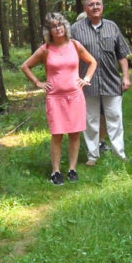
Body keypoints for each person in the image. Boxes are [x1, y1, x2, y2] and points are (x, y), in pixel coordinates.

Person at [21, 13, 97, 185]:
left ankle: (72, 169)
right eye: (54, 26)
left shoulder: (75, 45)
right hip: (55, 97)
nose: (58, 28)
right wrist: (38, 82)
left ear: (65, 26)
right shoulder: (46, 48)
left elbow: (92, 62)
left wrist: (86, 79)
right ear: (49, 31)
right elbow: (25, 66)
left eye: (60, 24)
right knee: (57, 134)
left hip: (75, 96)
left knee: (75, 133)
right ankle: (55, 172)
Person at [70, 0, 132, 166]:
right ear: (85, 8)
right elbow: (69, 56)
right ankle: (93, 155)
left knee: (115, 117)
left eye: (98, 4)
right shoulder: (76, 29)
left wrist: (126, 76)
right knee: (91, 119)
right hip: (87, 83)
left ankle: (119, 154)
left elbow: (122, 54)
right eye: (91, 4)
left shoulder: (112, 27)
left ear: (102, 6)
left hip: (112, 81)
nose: (95, 7)